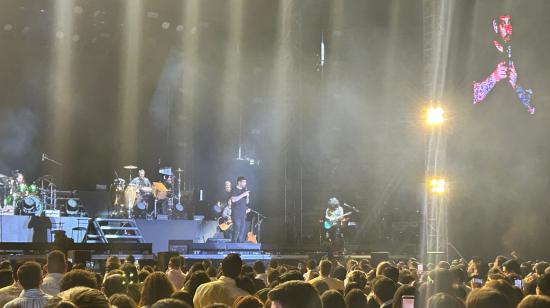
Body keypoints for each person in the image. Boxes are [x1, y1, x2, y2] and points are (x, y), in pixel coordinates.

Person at [230, 176, 251, 243]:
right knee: (236, 230)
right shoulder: (234, 189)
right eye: (244, 182)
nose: (245, 183)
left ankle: (239, 246)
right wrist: (243, 194)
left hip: (243, 213)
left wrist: (247, 197)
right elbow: (233, 200)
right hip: (236, 214)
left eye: (245, 182)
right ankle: (233, 245)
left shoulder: (243, 190)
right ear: (239, 182)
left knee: (242, 231)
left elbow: (247, 202)